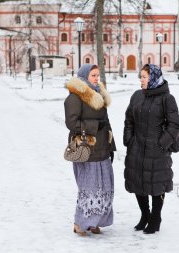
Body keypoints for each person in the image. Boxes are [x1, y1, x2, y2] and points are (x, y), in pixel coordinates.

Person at [123, 64, 179, 234]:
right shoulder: (136, 96)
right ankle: (145, 215)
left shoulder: (167, 98)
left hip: (156, 151)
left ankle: (155, 217)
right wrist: (129, 139)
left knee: (156, 185)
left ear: (154, 78)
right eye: (140, 76)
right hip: (137, 148)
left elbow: (174, 125)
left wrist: (161, 144)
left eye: (144, 77)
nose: (140, 80)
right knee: (137, 182)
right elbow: (129, 120)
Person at [64, 64, 116, 236]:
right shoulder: (75, 97)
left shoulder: (99, 94)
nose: (96, 78)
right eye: (93, 75)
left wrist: (111, 146)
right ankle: (80, 224)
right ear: (84, 76)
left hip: (102, 149)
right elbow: (71, 123)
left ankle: (95, 222)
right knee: (89, 189)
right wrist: (94, 126)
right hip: (86, 149)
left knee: (104, 189)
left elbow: (107, 124)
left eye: (98, 75)